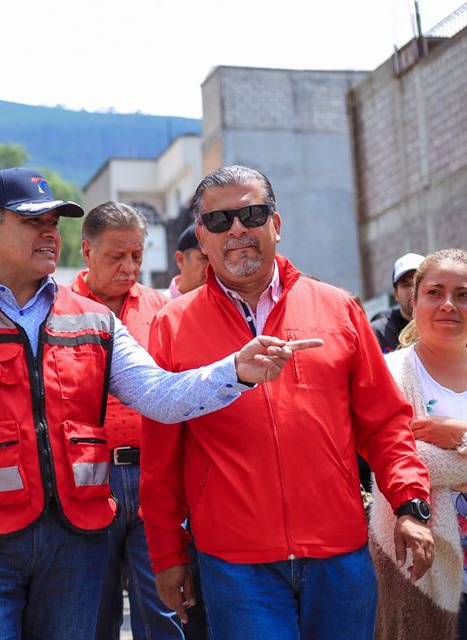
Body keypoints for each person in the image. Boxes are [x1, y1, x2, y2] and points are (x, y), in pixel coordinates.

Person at [0, 167, 318, 640]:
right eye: (33, 221)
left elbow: (160, 395)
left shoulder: (94, 321)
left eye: (55, 222)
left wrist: (233, 370)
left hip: (77, 542)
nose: (50, 232)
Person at [140, 165, 434, 639]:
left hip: (339, 554)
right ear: (202, 236)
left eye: (251, 214)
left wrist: (410, 502)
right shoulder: (171, 325)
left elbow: (384, 423)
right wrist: (167, 555)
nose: (236, 230)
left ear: (276, 223)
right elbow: (161, 452)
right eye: (219, 222)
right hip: (235, 564)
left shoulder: (337, 308)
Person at [67, 201, 180, 640]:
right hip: (86, 478)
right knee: (91, 613)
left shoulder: (162, 309)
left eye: (137, 255)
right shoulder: (61, 310)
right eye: (116, 256)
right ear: (87, 252)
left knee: (166, 610)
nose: (129, 267)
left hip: (154, 474)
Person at [370, 248, 467, 639]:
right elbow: (397, 458)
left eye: (463, 294)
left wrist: (458, 434)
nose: (449, 304)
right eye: (435, 292)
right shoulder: (389, 374)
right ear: (414, 300)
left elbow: (425, 457)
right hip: (422, 570)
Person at [371, 252, 425, 353]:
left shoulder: (444, 324)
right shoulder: (377, 332)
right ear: (395, 294)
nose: (413, 290)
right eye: (406, 285)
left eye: (418, 283)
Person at [167, 225, 209, 299]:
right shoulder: (159, 305)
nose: (212, 265)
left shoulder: (227, 304)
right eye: (204, 258)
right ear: (180, 260)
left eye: (214, 257)